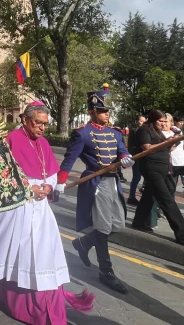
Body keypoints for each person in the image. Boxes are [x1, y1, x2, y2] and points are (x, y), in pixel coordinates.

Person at [0, 102, 94, 324]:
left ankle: (44, 293)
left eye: (45, 124)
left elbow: (50, 172)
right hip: (17, 208)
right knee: (19, 250)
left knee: (43, 251)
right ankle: (14, 294)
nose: (42, 128)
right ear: (25, 119)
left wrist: (49, 186)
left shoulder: (44, 142)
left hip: (40, 208)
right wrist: (28, 188)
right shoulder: (11, 139)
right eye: (37, 123)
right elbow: (1, 175)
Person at [56, 85, 135, 294]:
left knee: (117, 224)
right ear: (92, 112)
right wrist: (60, 182)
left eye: (108, 111)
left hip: (113, 181)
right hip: (96, 182)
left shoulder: (115, 133)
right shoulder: (83, 134)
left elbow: (123, 153)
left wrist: (126, 160)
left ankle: (83, 244)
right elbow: (69, 159)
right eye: (103, 111)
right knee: (102, 227)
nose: (107, 114)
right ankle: (106, 271)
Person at [131, 110, 184, 246]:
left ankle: (138, 222)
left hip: (162, 168)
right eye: (160, 121)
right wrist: (166, 143)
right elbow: (147, 148)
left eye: (164, 121)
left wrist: (174, 143)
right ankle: (182, 233)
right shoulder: (144, 130)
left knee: (149, 196)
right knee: (166, 198)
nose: (162, 123)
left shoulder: (158, 132)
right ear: (152, 120)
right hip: (151, 168)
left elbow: (166, 148)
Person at [127, 115, 146, 206]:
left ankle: (138, 193)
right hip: (137, 156)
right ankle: (131, 197)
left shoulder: (139, 130)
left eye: (144, 121)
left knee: (141, 177)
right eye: (141, 121)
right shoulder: (136, 131)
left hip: (139, 156)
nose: (142, 123)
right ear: (137, 121)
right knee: (136, 177)